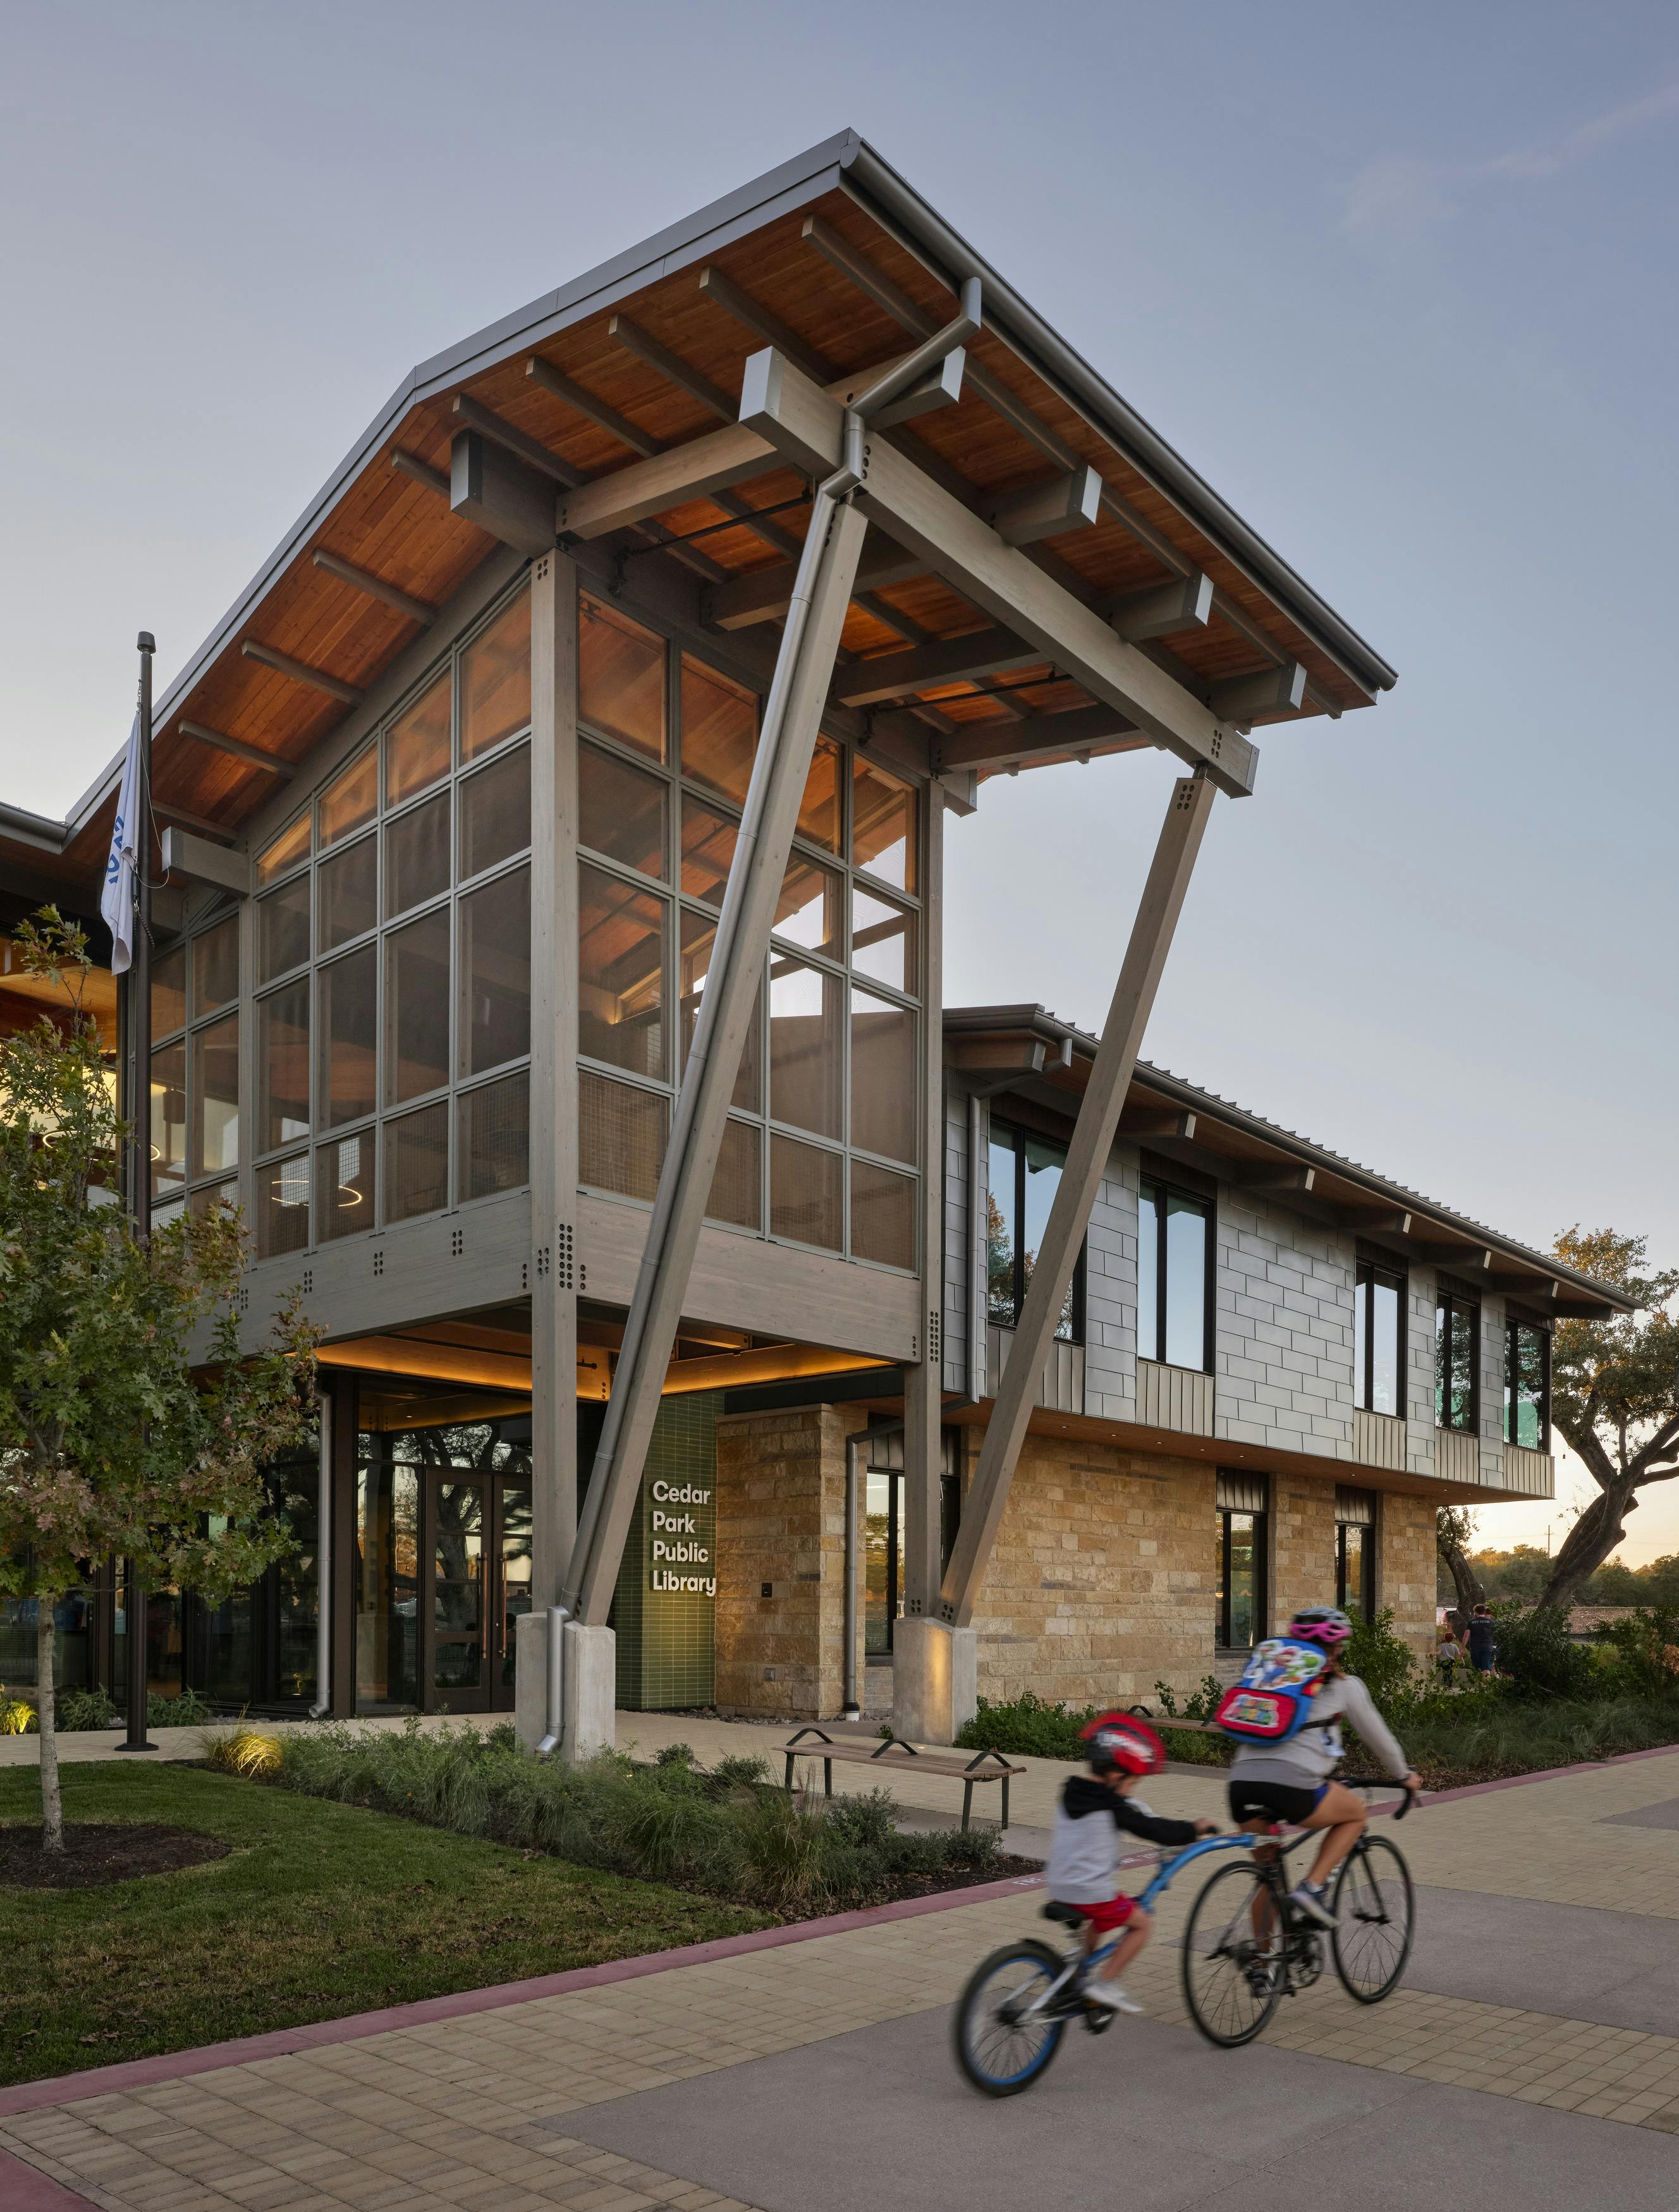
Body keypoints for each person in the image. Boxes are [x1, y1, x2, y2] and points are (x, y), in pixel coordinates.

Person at [1227, 1607, 1420, 1929]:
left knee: (1269, 1877)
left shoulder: (1271, 1679)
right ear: (1336, 1648)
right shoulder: (1345, 1686)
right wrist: (1404, 1776)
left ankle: (1263, 1970)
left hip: (1241, 1786)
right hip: (1294, 1785)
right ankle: (1312, 1889)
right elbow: (1381, 1741)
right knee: (1356, 1814)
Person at [1044, 1713, 1218, 2015]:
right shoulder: (1112, 1806)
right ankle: (1105, 1983)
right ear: (1115, 1776)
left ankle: (1078, 1973)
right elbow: (1154, 1830)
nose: (1131, 1790)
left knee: (1098, 1920)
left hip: (1060, 1885)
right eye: (1132, 1782)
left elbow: (1128, 1813)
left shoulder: (1071, 1790)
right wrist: (1194, 1828)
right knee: (1142, 1925)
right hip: (1091, 1892)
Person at [1466, 1603, 1498, 1674]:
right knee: (1487, 1668)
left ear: (1476, 1612)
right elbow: (1496, 1635)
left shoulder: (1471, 1622)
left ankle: (1482, 1683)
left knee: (1479, 1668)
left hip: (1476, 1648)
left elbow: (1466, 1636)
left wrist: (1462, 1648)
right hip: (1488, 1647)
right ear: (1484, 1612)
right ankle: (1486, 1684)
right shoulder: (1492, 1622)